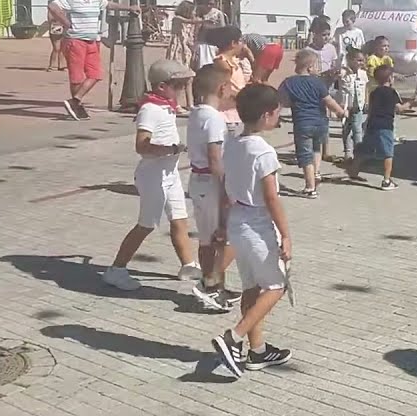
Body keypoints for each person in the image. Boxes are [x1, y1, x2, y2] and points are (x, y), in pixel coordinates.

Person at [211, 83, 294, 377]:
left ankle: (257, 350)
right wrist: (286, 235)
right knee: (276, 286)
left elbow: (224, 186)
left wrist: (222, 224)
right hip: (257, 224)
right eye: (277, 112)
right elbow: (271, 198)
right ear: (266, 115)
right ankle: (233, 337)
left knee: (251, 288)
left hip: (237, 221)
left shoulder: (232, 143)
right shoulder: (264, 152)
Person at [102, 59, 201, 291]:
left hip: (170, 174)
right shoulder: (150, 110)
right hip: (153, 176)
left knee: (179, 219)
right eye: (178, 85)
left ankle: (188, 265)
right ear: (162, 86)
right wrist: (171, 149)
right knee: (146, 225)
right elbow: (141, 146)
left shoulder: (166, 105)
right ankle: (116, 270)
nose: (182, 90)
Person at [47, 0, 138, 120]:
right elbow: (52, 5)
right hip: (75, 41)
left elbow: (110, 5)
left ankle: (75, 101)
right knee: (76, 77)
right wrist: (65, 22)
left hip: (92, 41)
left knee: (96, 74)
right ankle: (76, 107)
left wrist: (129, 8)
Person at [187, 65, 241, 312]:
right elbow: (214, 157)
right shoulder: (214, 119)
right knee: (225, 236)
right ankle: (209, 283)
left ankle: (217, 285)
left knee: (208, 237)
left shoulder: (197, 113)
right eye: (229, 85)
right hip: (211, 182)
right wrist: (226, 189)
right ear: (222, 88)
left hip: (199, 181)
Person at [279, 50, 346, 199]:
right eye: (317, 66)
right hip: (320, 123)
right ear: (310, 68)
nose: (319, 69)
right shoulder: (318, 83)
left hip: (302, 123)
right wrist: (341, 112)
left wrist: (277, 116)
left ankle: (310, 188)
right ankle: (316, 173)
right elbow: (329, 101)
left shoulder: (288, 83)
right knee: (316, 149)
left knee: (305, 155)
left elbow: (282, 102)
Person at [346, 63, 412, 190]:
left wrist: (366, 123)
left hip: (372, 125)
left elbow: (371, 109)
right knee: (388, 154)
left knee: (364, 149)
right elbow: (399, 108)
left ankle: (353, 171)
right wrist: (412, 103)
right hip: (385, 127)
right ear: (390, 78)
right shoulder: (392, 92)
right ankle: (386, 181)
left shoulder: (374, 93)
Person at [302, 16, 341, 161]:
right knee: (314, 119)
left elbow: (334, 65)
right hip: (312, 88)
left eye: (328, 34)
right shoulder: (308, 50)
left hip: (327, 87)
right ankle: (313, 149)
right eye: (323, 34)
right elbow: (302, 71)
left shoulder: (331, 48)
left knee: (325, 120)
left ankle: (326, 151)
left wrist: (334, 73)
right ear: (315, 35)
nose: (326, 37)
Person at [210, 26, 248, 132]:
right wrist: (244, 97)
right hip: (227, 116)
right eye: (240, 41)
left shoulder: (234, 60)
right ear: (233, 43)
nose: (243, 45)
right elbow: (224, 89)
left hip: (237, 112)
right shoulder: (222, 63)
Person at [335, 47, 369, 163]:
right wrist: (344, 67)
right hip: (346, 107)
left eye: (362, 60)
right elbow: (337, 73)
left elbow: (365, 88)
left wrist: (366, 102)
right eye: (358, 60)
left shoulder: (363, 74)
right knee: (346, 130)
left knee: (357, 130)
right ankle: (348, 153)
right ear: (350, 60)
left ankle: (358, 154)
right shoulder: (344, 73)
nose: (361, 63)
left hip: (358, 106)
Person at [166, 0, 199, 111]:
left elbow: (190, 38)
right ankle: (176, 104)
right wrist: (200, 20)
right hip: (178, 51)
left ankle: (190, 104)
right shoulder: (177, 19)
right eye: (193, 11)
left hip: (186, 51)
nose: (194, 13)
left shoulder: (191, 24)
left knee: (189, 78)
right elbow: (187, 21)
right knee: (179, 78)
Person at [193, 0, 228, 68]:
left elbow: (223, 29)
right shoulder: (198, 11)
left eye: (211, 4)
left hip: (213, 41)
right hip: (201, 40)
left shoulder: (218, 13)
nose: (208, 6)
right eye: (207, 3)